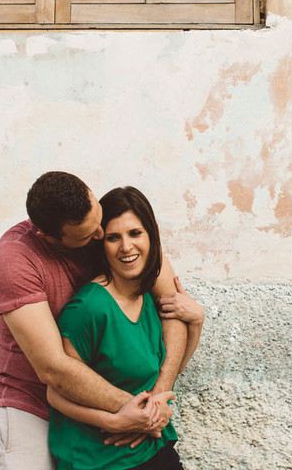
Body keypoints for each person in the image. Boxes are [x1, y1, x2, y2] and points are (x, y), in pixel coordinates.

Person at [0, 172, 204, 470]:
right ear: (49, 238)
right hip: (29, 402)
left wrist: (156, 400)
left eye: (100, 220)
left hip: (102, 406)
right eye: (90, 236)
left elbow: (171, 304)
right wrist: (136, 413)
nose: (101, 235)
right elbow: (54, 369)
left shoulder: (96, 226)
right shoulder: (13, 259)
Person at [47, 186, 202, 470]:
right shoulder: (88, 308)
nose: (126, 247)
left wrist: (197, 322)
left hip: (154, 448)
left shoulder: (150, 298)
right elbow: (56, 391)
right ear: (101, 245)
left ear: (151, 236)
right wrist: (116, 421)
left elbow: (174, 368)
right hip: (101, 459)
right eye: (113, 238)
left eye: (135, 233)